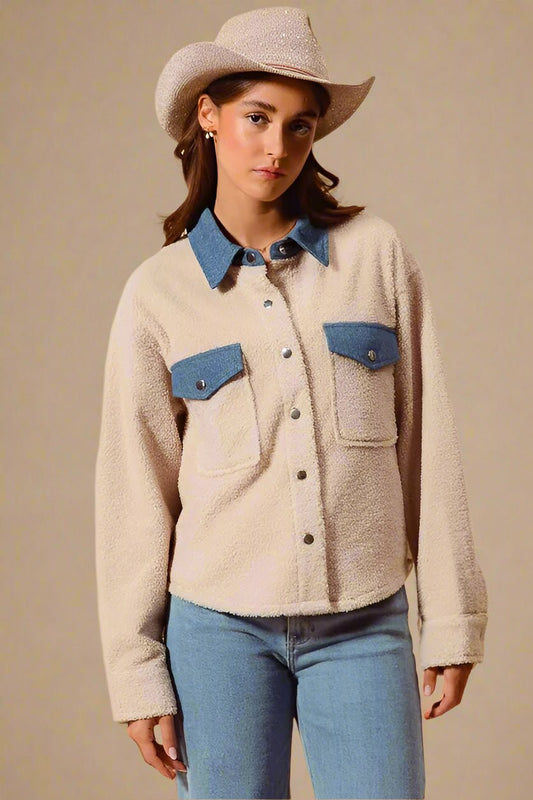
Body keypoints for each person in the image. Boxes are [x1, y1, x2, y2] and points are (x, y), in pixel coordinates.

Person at [94, 6, 488, 799]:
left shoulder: (374, 255)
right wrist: (136, 671)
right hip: (215, 632)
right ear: (208, 115)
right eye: (256, 117)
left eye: (299, 126)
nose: (276, 147)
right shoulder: (157, 293)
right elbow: (133, 493)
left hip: (364, 621)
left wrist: (451, 618)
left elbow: (429, 443)